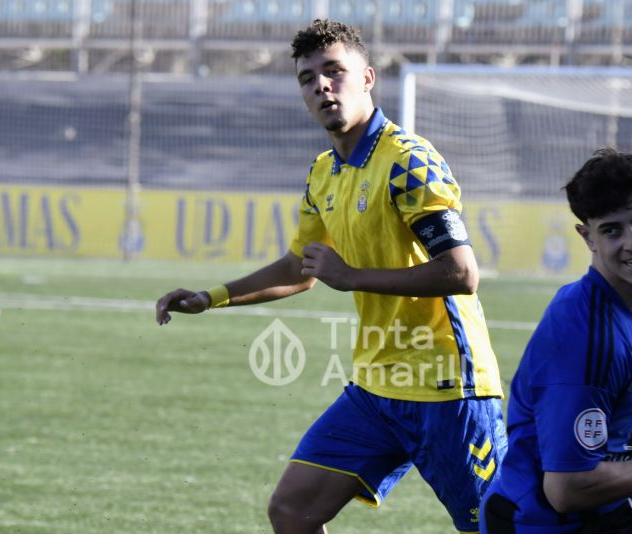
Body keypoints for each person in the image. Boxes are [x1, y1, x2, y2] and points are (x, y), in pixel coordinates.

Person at [155, 19, 506, 534]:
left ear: (367, 78)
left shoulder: (410, 161)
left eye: (333, 71)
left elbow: (461, 273)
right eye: (307, 77)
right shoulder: (325, 172)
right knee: (293, 511)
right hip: (376, 388)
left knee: (496, 528)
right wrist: (211, 298)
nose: (320, 85)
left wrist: (352, 275)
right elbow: (300, 267)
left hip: (449, 389)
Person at [479, 148, 632, 533]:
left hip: (601, 511)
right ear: (588, 238)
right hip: (543, 523)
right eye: (612, 230)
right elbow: (565, 489)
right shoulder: (584, 336)